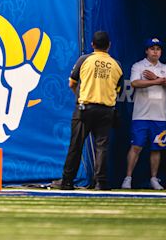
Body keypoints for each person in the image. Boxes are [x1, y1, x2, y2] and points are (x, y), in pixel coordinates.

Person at [53, 30, 124, 191]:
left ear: (92, 45)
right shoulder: (116, 65)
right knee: (102, 147)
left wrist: (80, 96)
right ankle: (101, 182)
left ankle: (67, 181)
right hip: (106, 110)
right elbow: (117, 90)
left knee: (76, 146)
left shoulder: (84, 60)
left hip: (85, 108)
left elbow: (72, 83)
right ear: (109, 46)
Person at [123, 38, 166, 190]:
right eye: (152, 48)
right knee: (136, 147)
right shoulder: (138, 66)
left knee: (156, 148)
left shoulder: (165, 68)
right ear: (146, 51)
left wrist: (157, 79)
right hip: (141, 116)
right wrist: (157, 81)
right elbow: (135, 83)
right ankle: (128, 178)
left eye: (158, 49)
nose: (155, 51)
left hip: (159, 116)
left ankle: (154, 178)